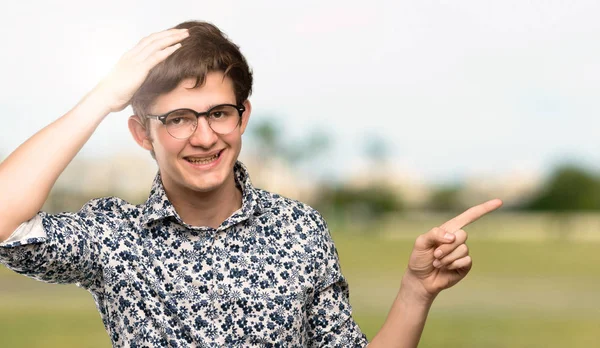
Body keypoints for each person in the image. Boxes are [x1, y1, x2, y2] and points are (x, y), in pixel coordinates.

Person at [0, 20, 502, 347]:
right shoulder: (115, 236)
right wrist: (102, 98)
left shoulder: (299, 230)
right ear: (142, 133)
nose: (203, 136)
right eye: (177, 118)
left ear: (243, 118)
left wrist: (416, 291)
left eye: (219, 112)